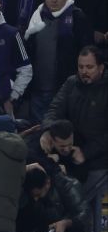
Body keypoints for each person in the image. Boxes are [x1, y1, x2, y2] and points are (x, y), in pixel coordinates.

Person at [25, 0, 95, 120]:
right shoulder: (36, 16)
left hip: (65, 90)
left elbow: (88, 54)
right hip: (37, 88)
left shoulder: (78, 18)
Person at [44, 46, 107, 201]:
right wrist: (47, 131)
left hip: (99, 161)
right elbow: (54, 109)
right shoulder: (71, 83)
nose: (84, 71)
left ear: (101, 68)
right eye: (81, 67)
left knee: (85, 203)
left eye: (89, 67)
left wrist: (86, 152)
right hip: (70, 156)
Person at [16, 166, 90, 232]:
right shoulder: (28, 193)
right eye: (33, 196)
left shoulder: (68, 186)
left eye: (38, 195)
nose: (35, 199)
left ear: (47, 183)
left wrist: (66, 223)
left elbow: (84, 216)